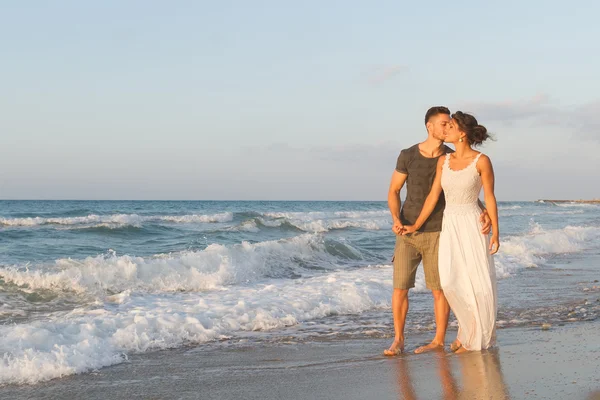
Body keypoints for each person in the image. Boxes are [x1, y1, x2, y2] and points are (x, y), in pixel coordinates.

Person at [385, 107, 491, 356]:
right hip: (407, 231)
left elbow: (464, 188)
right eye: (443, 124)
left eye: (449, 125)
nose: (447, 128)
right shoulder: (408, 155)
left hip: (439, 230)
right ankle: (398, 340)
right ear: (429, 126)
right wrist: (395, 218)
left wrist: (483, 210)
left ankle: (439, 339)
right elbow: (393, 191)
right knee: (400, 287)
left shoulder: (451, 156)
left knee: (439, 289)